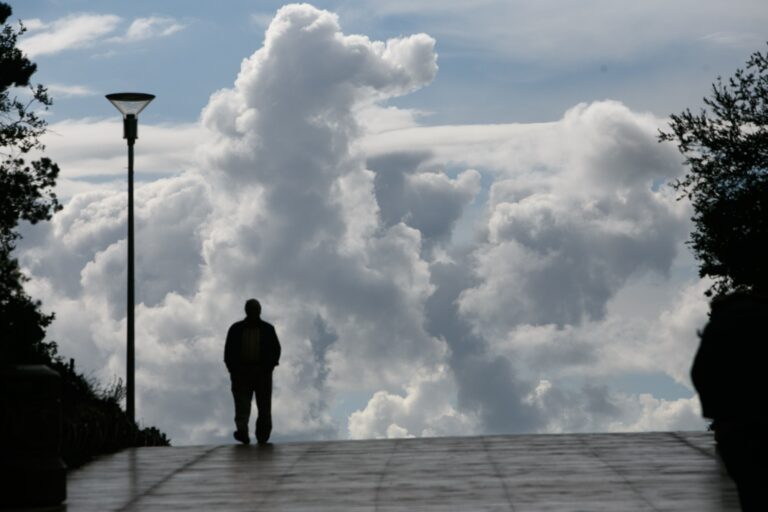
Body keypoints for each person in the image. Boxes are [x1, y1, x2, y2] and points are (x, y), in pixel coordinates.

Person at [691, 289, 768, 511]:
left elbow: (700, 372)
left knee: (750, 489)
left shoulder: (718, 325)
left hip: (735, 426)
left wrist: (718, 413)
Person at [224, 299, 281, 445]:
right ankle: (242, 432)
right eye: (251, 309)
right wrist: (234, 370)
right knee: (242, 406)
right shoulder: (236, 329)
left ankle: (263, 435)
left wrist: (268, 367)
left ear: (260, 311)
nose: (254, 312)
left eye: (256, 309)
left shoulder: (268, 329)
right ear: (246, 311)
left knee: (264, 407)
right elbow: (229, 352)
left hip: (262, 373)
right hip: (241, 374)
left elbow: (276, 350)